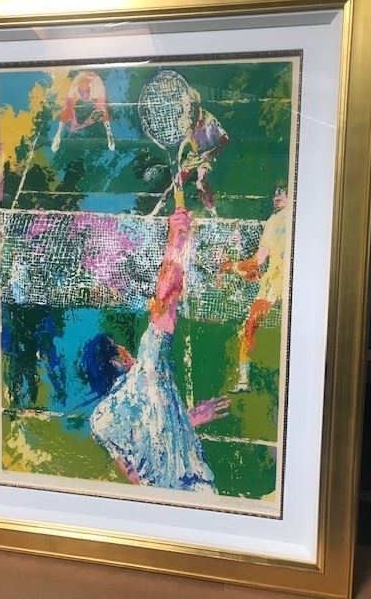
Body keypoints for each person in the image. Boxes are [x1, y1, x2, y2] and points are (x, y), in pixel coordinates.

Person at [83, 207, 229, 491]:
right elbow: (166, 298)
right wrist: (176, 238)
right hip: (197, 492)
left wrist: (187, 420)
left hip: (156, 500)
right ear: (116, 361)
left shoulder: (99, 422)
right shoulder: (147, 371)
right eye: (122, 351)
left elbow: (134, 469)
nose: (128, 353)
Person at [219, 184, 289, 392]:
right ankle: (243, 381)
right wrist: (234, 266)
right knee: (250, 327)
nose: (277, 195)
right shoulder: (273, 221)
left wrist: (233, 266)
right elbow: (258, 261)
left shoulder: (304, 218)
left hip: (291, 283)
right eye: (275, 192)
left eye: (282, 192)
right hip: (273, 283)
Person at [175, 89, 229, 216]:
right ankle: (179, 212)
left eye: (191, 104)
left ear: (197, 104)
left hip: (211, 154)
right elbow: (185, 145)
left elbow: (225, 139)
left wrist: (211, 153)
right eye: (186, 105)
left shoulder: (209, 120)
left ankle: (212, 211)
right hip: (194, 157)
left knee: (201, 179)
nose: (189, 108)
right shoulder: (182, 121)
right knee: (177, 181)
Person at [51, 70, 115, 153]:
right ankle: (58, 132)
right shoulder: (74, 87)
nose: (84, 96)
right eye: (81, 92)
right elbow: (68, 107)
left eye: (86, 92)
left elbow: (101, 111)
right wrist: (73, 120)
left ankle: (109, 131)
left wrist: (88, 122)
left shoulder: (98, 87)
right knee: (66, 106)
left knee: (103, 108)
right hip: (80, 83)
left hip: (94, 87)